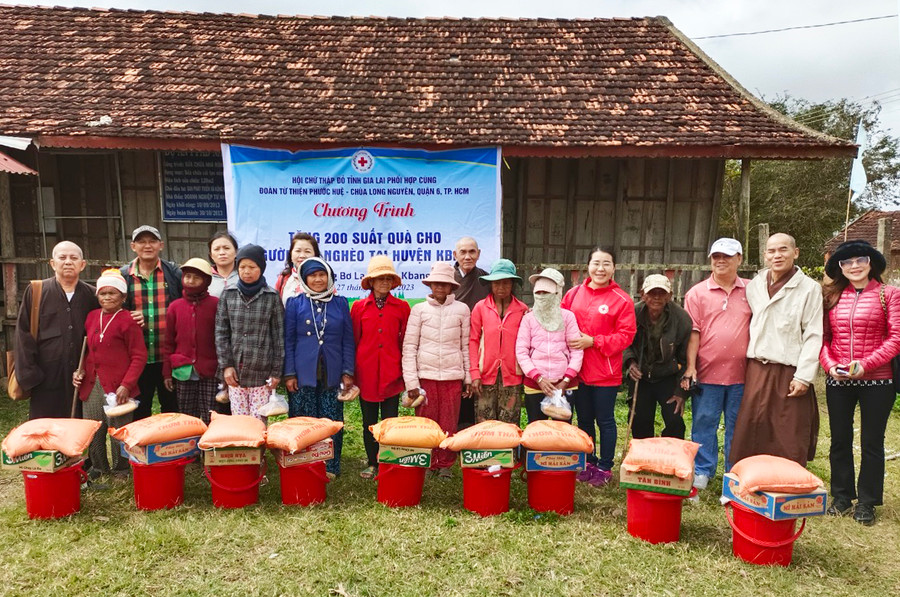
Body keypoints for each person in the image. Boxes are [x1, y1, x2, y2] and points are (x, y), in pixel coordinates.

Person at [820, 240, 900, 526]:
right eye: (846, 262)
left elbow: (896, 338)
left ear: (871, 262)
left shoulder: (889, 295)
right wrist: (830, 366)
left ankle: (867, 502)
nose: (854, 266)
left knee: (871, 442)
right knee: (839, 440)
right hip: (839, 380)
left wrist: (866, 364)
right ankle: (841, 496)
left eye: (859, 260)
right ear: (839, 268)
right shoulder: (831, 296)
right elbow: (823, 338)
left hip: (878, 380)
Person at [731, 233, 823, 468]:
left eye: (783, 250)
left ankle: (786, 482)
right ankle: (749, 478)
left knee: (787, 430)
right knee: (752, 427)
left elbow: (813, 334)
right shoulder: (756, 285)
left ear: (796, 252)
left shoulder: (809, 288)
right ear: (765, 255)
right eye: (771, 251)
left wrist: (803, 376)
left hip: (788, 369)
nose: (777, 255)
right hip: (757, 368)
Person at [681, 238, 752, 494]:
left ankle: (734, 471)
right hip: (708, 372)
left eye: (727, 256)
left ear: (739, 259)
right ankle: (702, 470)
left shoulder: (753, 290)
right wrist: (691, 367)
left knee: (738, 424)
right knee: (704, 422)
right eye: (716, 256)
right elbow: (693, 333)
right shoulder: (697, 292)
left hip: (744, 374)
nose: (721, 261)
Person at [561, 247, 636, 487]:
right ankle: (587, 460)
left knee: (605, 420)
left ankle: (605, 466)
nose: (600, 269)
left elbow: (626, 336)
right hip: (577, 371)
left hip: (605, 373)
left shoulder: (622, 300)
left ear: (614, 268)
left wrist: (593, 341)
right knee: (583, 419)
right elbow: (559, 320)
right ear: (588, 266)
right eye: (596, 263)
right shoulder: (573, 295)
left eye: (606, 264)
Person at [283, 257, 354, 477]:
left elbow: (348, 340)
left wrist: (347, 371)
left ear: (329, 277)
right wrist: (289, 373)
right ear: (304, 279)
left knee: (330, 420)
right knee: (304, 420)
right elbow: (289, 341)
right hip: (303, 372)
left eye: (322, 274)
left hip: (332, 371)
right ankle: (303, 463)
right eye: (312, 275)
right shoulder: (295, 304)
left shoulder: (340, 303)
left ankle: (330, 466)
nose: (318, 279)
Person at [73, 269, 146, 478]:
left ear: (123, 297)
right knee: (94, 427)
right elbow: (85, 352)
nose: (107, 297)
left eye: (112, 293)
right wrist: (79, 373)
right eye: (103, 293)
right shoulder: (91, 317)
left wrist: (127, 385)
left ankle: (122, 468)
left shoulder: (129, 320)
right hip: (92, 382)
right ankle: (98, 466)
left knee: (119, 429)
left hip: (119, 385)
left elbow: (139, 356)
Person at [13, 240, 98, 419]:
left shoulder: (92, 295)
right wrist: (31, 375)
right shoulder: (36, 291)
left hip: (80, 377)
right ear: (53, 263)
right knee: (45, 432)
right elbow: (23, 334)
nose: (68, 262)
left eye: (74, 258)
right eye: (62, 257)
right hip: (45, 376)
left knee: (78, 432)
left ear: (82, 265)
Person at [402, 262, 471, 478]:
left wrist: (467, 377)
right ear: (430, 285)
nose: (440, 287)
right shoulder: (419, 310)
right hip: (425, 377)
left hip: (452, 376)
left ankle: (446, 464)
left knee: (449, 421)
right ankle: (427, 460)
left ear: (452, 287)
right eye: (436, 283)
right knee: (426, 421)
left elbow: (466, 346)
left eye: (445, 284)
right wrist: (412, 383)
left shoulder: (462, 309)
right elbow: (409, 347)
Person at [351, 256, 410, 479]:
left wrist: (405, 373)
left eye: (388, 278)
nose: (384, 282)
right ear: (371, 282)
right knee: (369, 421)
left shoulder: (402, 307)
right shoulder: (358, 308)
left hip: (391, 372)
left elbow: (405, 341)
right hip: (365, 373)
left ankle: (387, 461)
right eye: (379, 278)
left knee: (389, 420)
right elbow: (354, 340)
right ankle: (371, 461)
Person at [215, 244, 284, 422]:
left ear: (261, 268)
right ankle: (244, 450)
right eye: (242, 267)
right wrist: (226, 366)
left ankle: (257, 451)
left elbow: (279, 337)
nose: (247, 271)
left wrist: (276, 372)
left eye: (252, 267)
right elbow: (221, 333)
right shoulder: (228, 295)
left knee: (258, 423)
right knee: (239, 423)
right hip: (235, 373)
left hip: (262, 374)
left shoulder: (271, 297)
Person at [120, 225, 182, 420]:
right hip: (138, 358)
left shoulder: (173, 273)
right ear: (133, 246)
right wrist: (127, 317)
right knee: (140, 411)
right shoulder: (123, 275)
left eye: (152, 241)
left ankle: (172, 449)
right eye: (141, 241)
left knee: (172, 410)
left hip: (168, 357)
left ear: (161, 245)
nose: (147, 246)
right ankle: (141, 450)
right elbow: (113, 310)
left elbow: (183, 305)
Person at [622, 274, 691, 440]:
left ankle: (670, 455)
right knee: (639, 421)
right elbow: (623, 343)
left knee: (675, 420)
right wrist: (630, 362)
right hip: (642, 377)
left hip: (668, 375)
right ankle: (644, 459)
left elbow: (686, 358)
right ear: (643, 294)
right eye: (653, 293)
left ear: (669, 296)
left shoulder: (681, 319)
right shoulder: (632, 313)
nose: (657, 297)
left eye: (662, 293)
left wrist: (681, 392)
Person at [515, 268, 583, 424]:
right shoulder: (529, 319)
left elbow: (576, 351)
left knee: (562, 432)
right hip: (535, 384)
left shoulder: (568, 317)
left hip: (565, 385)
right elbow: (521, 351)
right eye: (537, 293)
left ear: (557, 293)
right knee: (537, 430)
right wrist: (538, 378)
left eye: (546, 293)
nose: (541, 297)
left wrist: (566, 380)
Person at [469, 259, 529, 424]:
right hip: (485, 374)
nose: (501, 287)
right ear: (490, 284)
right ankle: (486, 451)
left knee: (509, 424)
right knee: (484, 424)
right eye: (496, 283)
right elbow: (473, 341)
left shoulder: (522, 310)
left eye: (506, 283)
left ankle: (510, 451)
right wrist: (474, 373)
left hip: (512, 375)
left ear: (513, 284)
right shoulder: (480, 308)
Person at [163, 258, 219, 425]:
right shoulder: (175, 307)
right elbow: (168, 342)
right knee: (187, 419)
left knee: (211, 415)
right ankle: (191, 451)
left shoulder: (216, 305)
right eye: (187, 277)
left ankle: (209, 450)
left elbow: (223, 339)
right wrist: (167, 372)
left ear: (207, 281)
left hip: (210, 371)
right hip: (183, 371)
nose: (191, 281)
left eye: (196, 278)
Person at [453, 236, 489, 430]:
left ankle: (471, 432)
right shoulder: (446, 279)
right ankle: (454, 430)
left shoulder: (486, 279)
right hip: (451, 343)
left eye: (472, 252)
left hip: (477, 343)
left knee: (473, 389)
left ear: (479, 254)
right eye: (463, 252)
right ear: (455, 255)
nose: (467, 256)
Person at [275, 232, 321, 305]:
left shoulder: (322, 279)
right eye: (298, 251)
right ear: (291, 254)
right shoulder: (283, 279)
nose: (302, 255)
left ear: (315, 255)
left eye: (307, 251)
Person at [208, 231, 239, 298]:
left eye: (226, 248)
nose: (222, 253)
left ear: (236, 251)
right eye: (217, 249)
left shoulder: (244, 275)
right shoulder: (205, 277)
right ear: (211, 255)